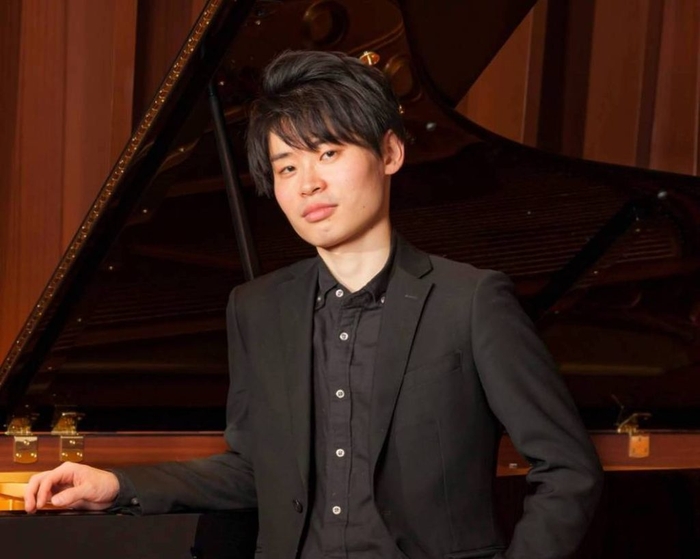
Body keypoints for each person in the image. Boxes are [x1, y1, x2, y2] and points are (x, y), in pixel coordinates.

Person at [24, 50, 602, 559]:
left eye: (327, 152)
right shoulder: (256, 308)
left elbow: (568, 468)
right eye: (287, 167)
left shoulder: (471, 300)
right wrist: (120, 485)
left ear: (390, 152)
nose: (307, 184)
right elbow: (254, 468)